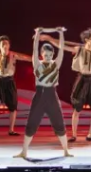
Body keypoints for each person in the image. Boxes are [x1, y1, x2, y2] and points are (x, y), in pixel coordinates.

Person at [15, 27, 72, 159]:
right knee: (32, 122)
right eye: (45, 55)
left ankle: (66, 150)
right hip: (40, 95)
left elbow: (61, 50)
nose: (48, 57)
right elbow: (34, 49)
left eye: (50, 55)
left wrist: (61, 33)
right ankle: (24, 151)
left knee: (59, 122)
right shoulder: (37, 64)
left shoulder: (55, 64)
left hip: (52, 96)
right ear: (42, 55)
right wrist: (37, 34)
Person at [45, 29, 91, 143]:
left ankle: (90, 135)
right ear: (87, 40)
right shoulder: (79, 50)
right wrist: (50, 39)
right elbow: (62, 46)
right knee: (77, 110)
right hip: (82, 80)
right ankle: (74, 135)